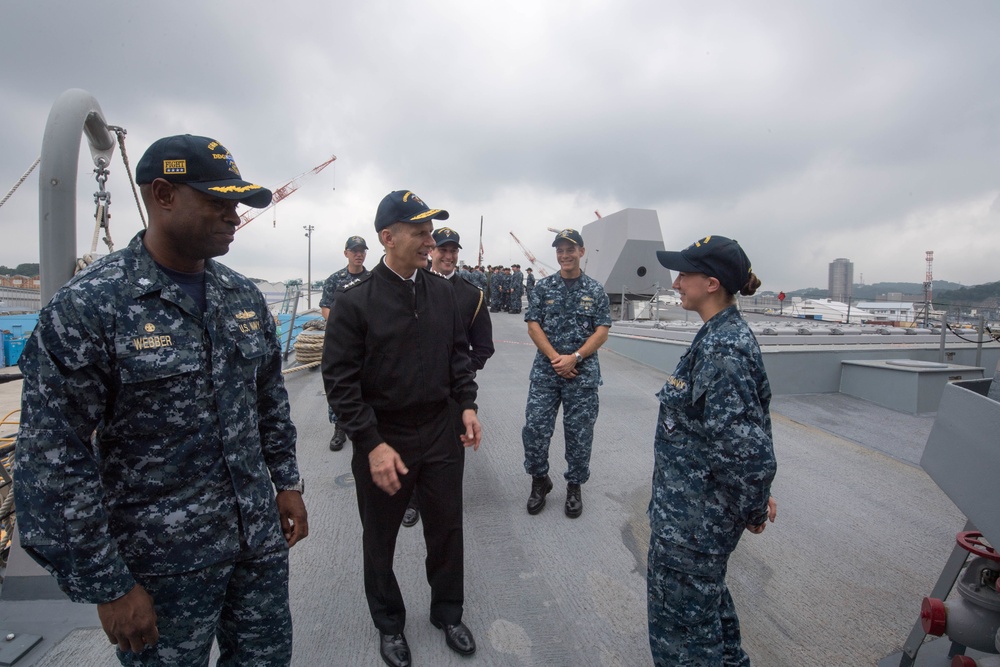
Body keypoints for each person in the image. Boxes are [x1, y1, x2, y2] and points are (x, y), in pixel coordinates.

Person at [14, 134, 308, 665]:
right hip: (161, 568)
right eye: (217, 201)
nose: (232, 216)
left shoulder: (241, 297)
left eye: (235, 203)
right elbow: (53, 460)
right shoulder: (90, 308)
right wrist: (107, 585)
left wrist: (285, 482)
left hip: (255, 546)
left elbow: (269, 400)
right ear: (163, 194)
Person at [322, 190, 482, 667]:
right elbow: (340, 380)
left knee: (446, 527)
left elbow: (459, 354)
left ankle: (448, 612)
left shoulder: (444, 293)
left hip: (439, 428)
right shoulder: (355, 302)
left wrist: (468, 406)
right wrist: (369, 444)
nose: (430, 242)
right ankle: (389, 624)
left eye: (431, 233)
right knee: (380, 536)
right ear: (388, 238)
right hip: (383, 435)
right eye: (420, 233)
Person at [647, 235, 778, 666]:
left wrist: (754, 508)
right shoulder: (719, 336)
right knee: (708, 622)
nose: (677, 281)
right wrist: (752, 503)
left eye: (685, 273)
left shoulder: (723, 349)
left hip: (693, 530)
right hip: (694, 524)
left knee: (683, 643)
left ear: (711, 283)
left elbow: (747, 454)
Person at [401, 226, 495, 528]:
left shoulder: (472, 295)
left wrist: (463, 372)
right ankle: (413, 501)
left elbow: (483, 346)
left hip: (454, 391)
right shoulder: (412, 286)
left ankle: (446, 503)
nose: (449, 255)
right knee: (414, 445)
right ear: (432, 251)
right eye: (443, 249)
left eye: (454, 250)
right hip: (416, 387)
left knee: (453, 449)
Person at [521, 229, 612, 518]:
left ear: (581, 252)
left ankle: (574, 486)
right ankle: (539, 481)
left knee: (579, 434)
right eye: (560, 250)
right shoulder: (543, 288)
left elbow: (602, 330)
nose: (564, 255)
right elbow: (533, 324)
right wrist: (556, 360)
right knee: (535, 429)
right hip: (547, 374)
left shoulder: (596, 290)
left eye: (570, 249)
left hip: (582, 375)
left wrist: (575, 357)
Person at [319, 235, 370, 451]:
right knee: (340, 381)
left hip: (366, 341)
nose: (358, 254)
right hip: (340, 341)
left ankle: (367, 424)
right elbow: (325, 307)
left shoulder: (372, 278)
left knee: (366, 380)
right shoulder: (334, 280)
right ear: (346, 253)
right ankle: (340, 426)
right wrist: (344, 325)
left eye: (362, 250)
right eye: (354, 250)